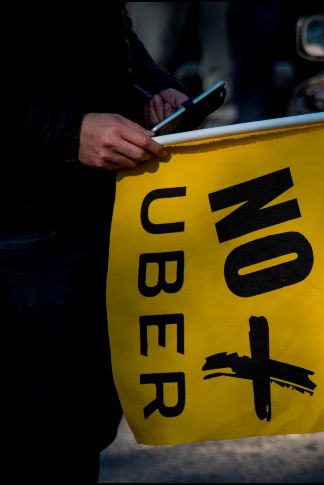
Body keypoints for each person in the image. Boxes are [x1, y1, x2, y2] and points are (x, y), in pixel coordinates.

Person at [0, 3, 188, 481]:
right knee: (35, 429)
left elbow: (111, 30)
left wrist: (154, 86)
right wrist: (71, 130)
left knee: (80, 422)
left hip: (102, 206)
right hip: (20, 223)